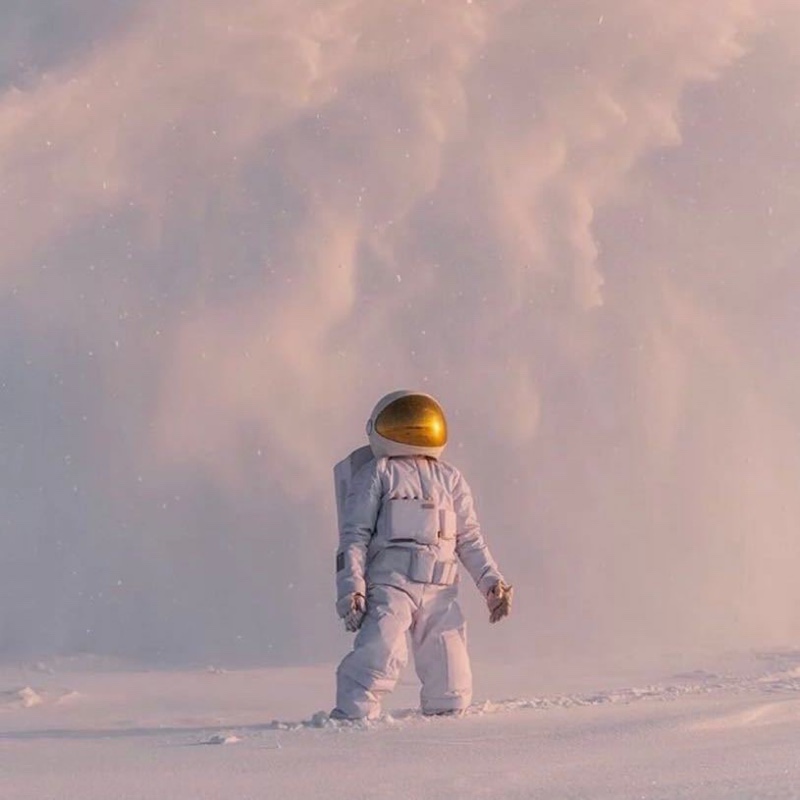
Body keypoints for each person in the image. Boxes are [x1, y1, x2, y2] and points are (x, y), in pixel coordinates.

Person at [331, 389, 512, 720]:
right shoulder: (378, 472)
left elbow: (469, 538)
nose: (413, 431)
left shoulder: (450, 478)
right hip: (392, 584)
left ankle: (444, 724)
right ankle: (352, 717)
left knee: (450, 673)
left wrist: (492, 583)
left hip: (441, 589)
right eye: (403, 422)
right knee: (381, 653)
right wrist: (352, 588)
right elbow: (354, 536)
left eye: (419, 423)